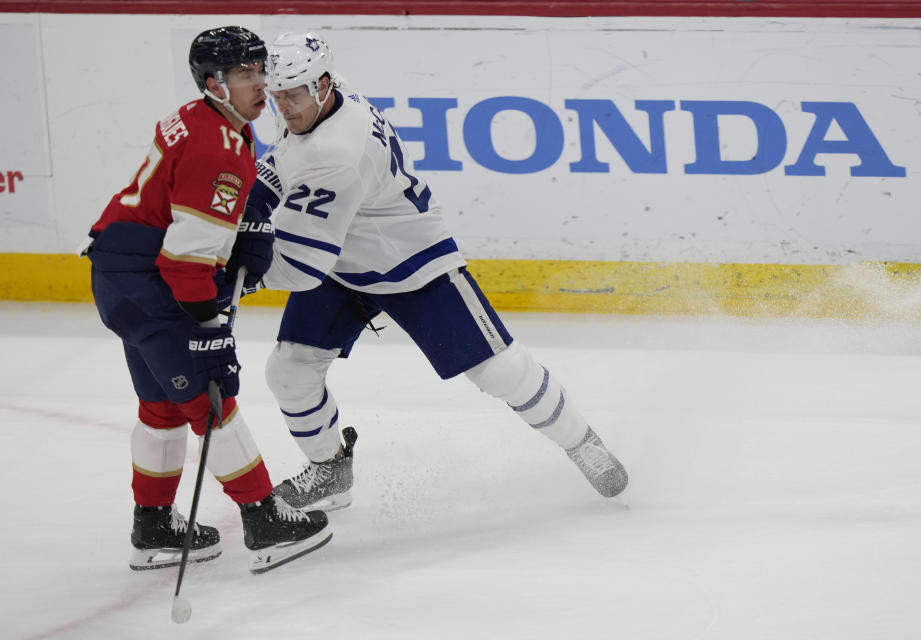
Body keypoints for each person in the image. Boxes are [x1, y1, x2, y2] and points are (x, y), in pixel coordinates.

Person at [243, 31, 628, 513]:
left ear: (322, 85)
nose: (285, 108)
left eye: (294, 95)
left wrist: (231, 280)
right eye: (276, 96)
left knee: (501, 370)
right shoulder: (325, 96)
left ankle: (582, 442)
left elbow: (300, 265)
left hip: (411, 261)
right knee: (290, 369)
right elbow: (284, 167)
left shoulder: (336, 152)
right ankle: (331, 470)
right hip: (343, 259)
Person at [83, 26, 332, 574]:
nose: (261, 85)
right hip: (156, 289)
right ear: (214, 83)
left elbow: (182, 209)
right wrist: (209, 321)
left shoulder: (205, 119)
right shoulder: (218, 149)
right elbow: (185, 263)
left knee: (163, 406)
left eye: (261, 71)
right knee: (212, 404)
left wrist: (244, 224)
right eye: (246, 75)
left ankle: (152, 527)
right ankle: (264, 520)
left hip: (123, 278)